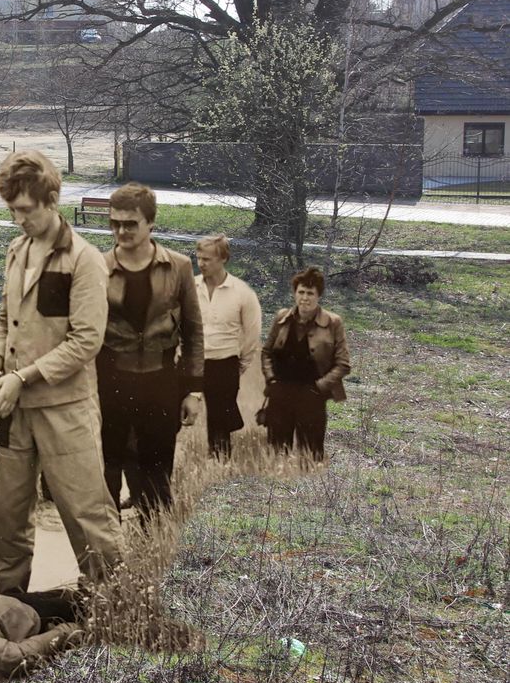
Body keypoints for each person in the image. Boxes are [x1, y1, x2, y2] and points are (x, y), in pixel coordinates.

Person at [0, 150, 123, 596]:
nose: (18, 219)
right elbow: (4, 320)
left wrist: (22, 377)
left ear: (51, 201)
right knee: (7, 512)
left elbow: (86, 341)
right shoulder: (17, 250)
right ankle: (10, 597)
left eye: (26, 210)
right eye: (11, 210)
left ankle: (109, 599)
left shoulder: (84, 260)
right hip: (14, 410)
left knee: (86, 510)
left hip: (64, 409)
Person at [98, 182, 203, 522]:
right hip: (109, 381)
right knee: (107, 469)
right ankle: (103, 554)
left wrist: (192, 390)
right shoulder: (97, 268)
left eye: (131, 223)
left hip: (160, 383)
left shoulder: (179, 267)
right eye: (115, 223)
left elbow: (193, 331)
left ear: (150, 224)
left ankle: (151, 547)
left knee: (157, 471)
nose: (121, 231)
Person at [261, 266, 350, 459]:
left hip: (312, 396)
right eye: (301, 292)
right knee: (276, 451)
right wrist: (271, 379)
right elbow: (267, 352)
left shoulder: (333, 322)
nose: (305, 298)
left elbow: (343, 363)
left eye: (310, 293)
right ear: (294, 293)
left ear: (319, 296)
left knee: (311, 455)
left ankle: (306, 487)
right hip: (280, 394)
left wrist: (319, 387)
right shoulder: (282, 318)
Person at [194, 234, 262, 457]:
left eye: (208, 259)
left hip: (224, 363)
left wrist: (240, 364)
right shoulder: (190, 288)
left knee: (219, 420)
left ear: (223, 259)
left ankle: (219, 462)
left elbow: (252, 333)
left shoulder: (241, 292)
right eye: (199, 258)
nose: (202, 263)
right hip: (192, 361)